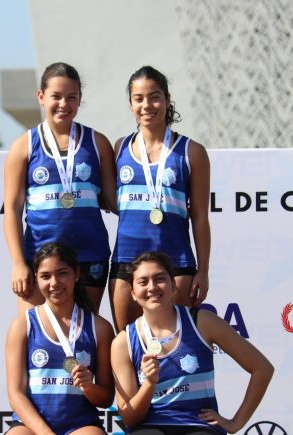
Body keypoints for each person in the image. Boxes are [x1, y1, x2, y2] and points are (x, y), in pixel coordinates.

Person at [111, 251, 274, 434]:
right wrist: (149, 383)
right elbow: (129, 418)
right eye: (143, 282)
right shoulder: (123, 342)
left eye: (159, 279)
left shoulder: (202, 322)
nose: (152, 287)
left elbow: (262, 368)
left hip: (198, 426)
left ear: (173, 285)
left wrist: (235, 423)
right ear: (133, 293)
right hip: (149, 427)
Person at [4, 62, 117, 313]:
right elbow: (11, 210)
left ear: (79, 99)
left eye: (71, 97)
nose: (63, 104)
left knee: (83, 331)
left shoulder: (98, 143)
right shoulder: (23, 146)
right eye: (56, 96)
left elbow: (113, 201)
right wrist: (18, 263)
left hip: (89, 255)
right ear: (41, 96)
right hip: (38, 257)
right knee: (35, 332)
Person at [109, 65, 211, 332]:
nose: (147, 105)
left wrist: (203, 270)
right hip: (126, 263)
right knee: (128, 345)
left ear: (167, 100)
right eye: (138, 98)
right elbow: (108, 200)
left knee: (174, 347)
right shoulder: (119, 148)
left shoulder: (192, 152)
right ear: (130, 104)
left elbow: (200, 216)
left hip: (176, 263)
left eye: (154, 97)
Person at [5, 242, 115, 435]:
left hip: (80, 425)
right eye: (45, 276)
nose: (54, 283)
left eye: (62, 273)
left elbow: (106, 399)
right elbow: (16, 394)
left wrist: (89, 386)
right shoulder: (22, 325)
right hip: (31, 426)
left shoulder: (100, 328)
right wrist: (45, 433)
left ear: (76, 274)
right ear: (36, 278)